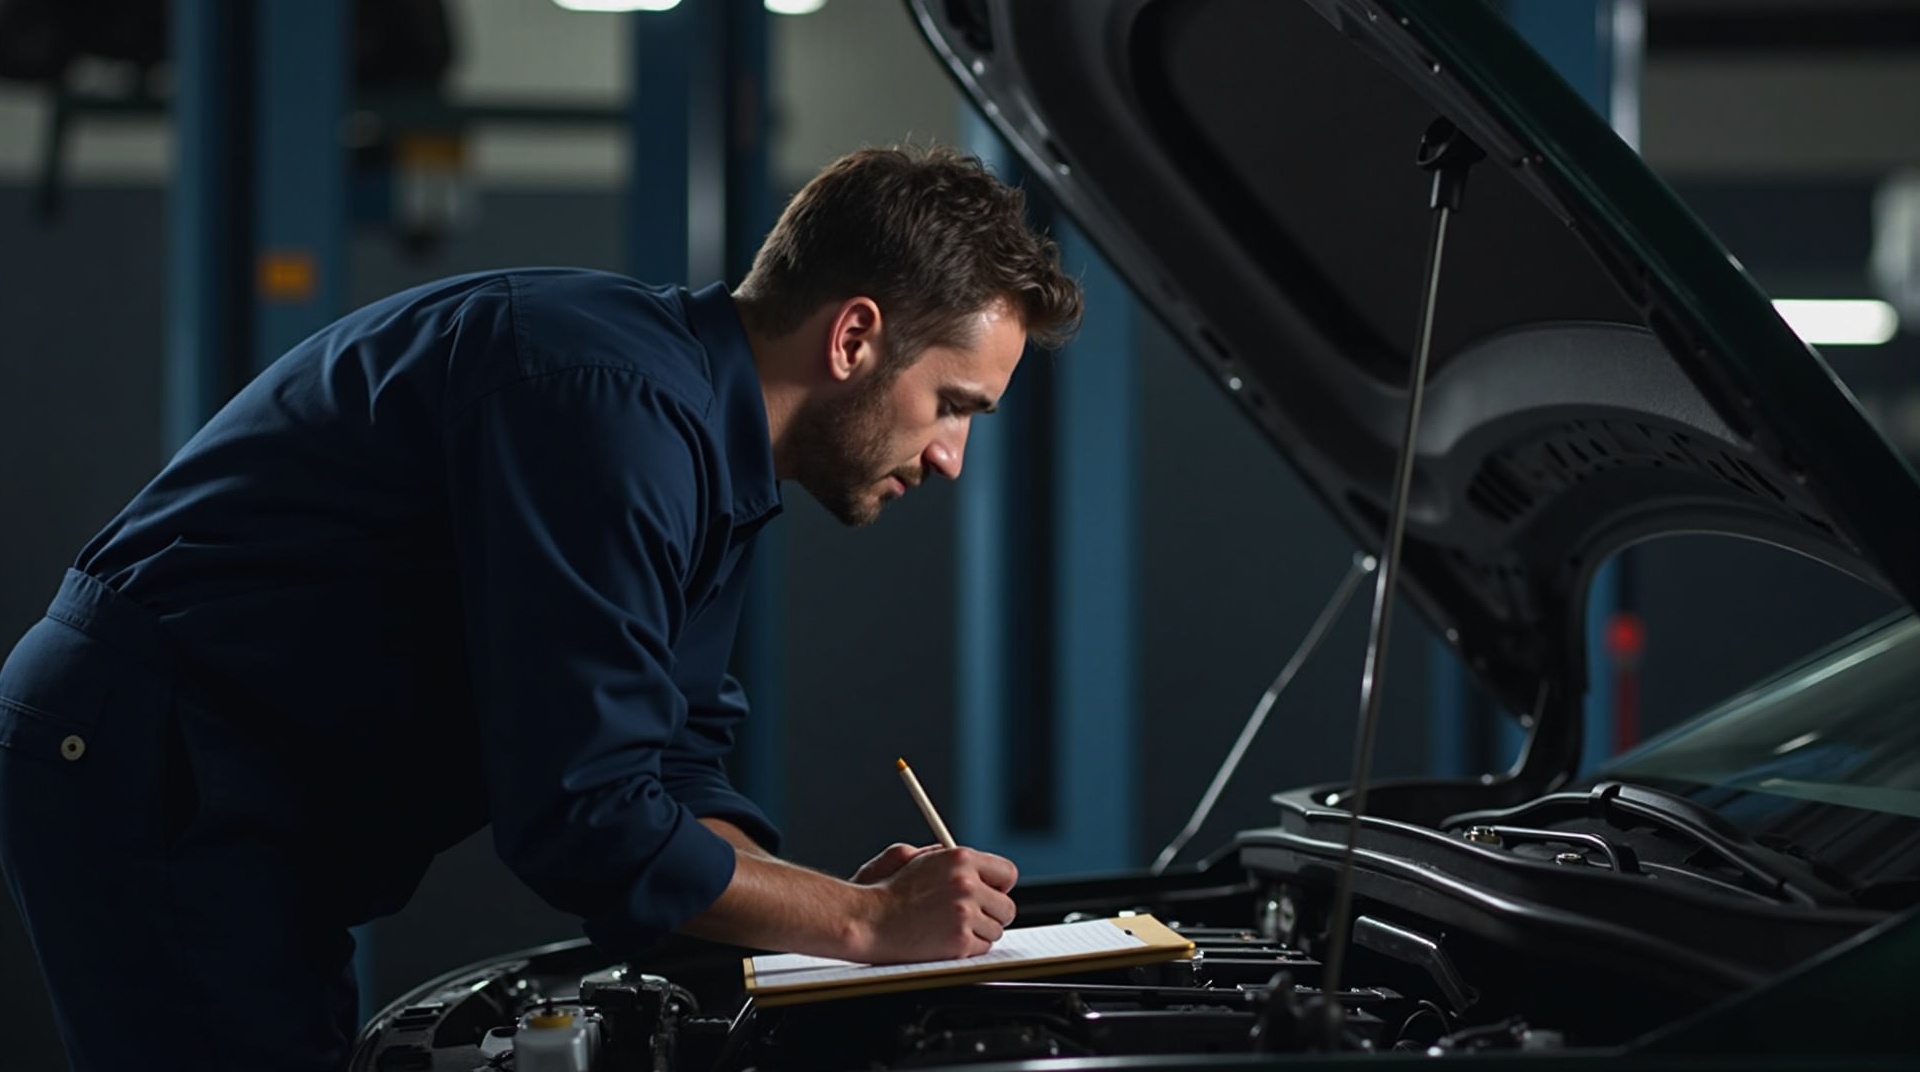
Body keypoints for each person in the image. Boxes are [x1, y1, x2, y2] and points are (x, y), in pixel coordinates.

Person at [0, 144, 1084, 1071]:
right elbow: (588, 820)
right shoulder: (611, 410)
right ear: (853, 338)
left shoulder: (707, 451)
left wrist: (818, 912)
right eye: (953, 405)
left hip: (250, 785)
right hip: (151, 747)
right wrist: (861, 921)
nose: (951, 456)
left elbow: (670, 762)